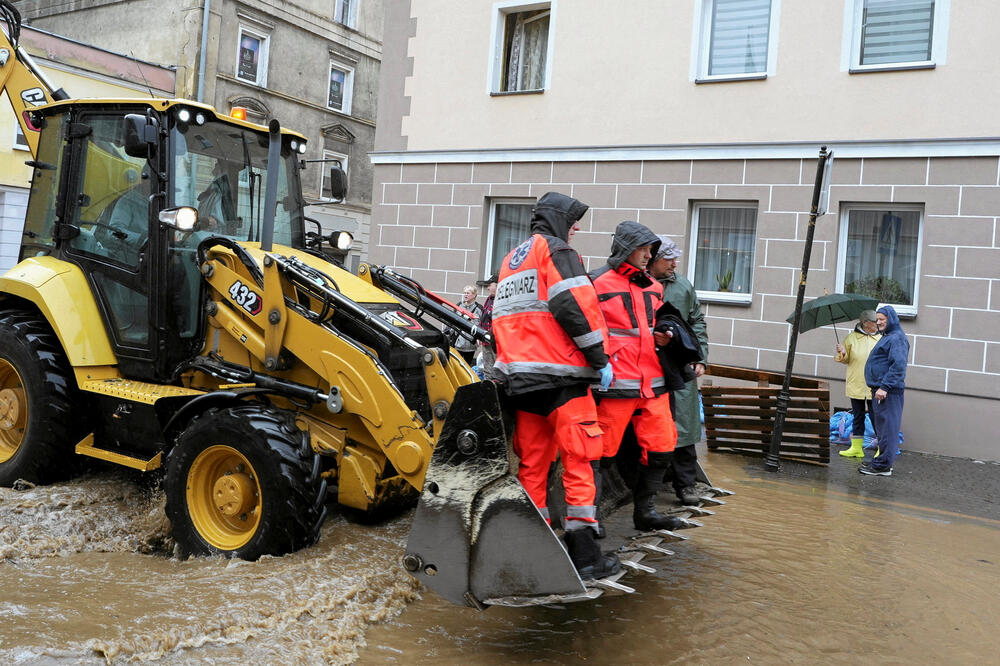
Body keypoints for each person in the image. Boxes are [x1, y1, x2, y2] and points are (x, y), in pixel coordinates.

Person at [492, 191, 620, 580]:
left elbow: (504, 318)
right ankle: (585, 557)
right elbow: (575, 307)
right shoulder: (558, 251)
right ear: (560, 220)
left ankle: (535, 549)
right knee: (580, 460)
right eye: (574, 220)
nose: (577, 227)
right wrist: (600, 359)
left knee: (533, 466)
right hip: (563, 378)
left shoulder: (510, 260)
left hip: (523, 381)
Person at [590, 222, 686, 531]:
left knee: (662, 448)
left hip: (652, 382)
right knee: (601, 453)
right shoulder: (595, 283)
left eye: (650, 250)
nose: (649, 255)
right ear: (625, 250)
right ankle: (589, 517)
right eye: (643, 250)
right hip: (616, 382)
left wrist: (667, 334)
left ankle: (645, 514)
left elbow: (654, 325)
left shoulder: (654, 287)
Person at [648, 236, 709, 506]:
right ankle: (646, 489)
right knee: (650, 426)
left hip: (680, 364)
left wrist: (700, 357)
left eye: (676, 258)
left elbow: (696, 321)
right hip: (646, 365)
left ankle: (686, 485)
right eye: (668, 258)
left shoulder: (682, 285)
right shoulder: (638, 283)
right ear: (652, 259)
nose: (675, 263)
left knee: (683, 425)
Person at [861, 305, 909, 476]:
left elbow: (898, 366)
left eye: (882, 319)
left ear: (891, 319)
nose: (879, 322)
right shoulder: (888, 337)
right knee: (882, 429)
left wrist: (885, 387)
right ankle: (882, 462)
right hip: (880, 390)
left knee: (888, 429)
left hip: (888, 392)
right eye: (878, 319)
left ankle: (883, 466)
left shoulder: (896, 338)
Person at [834, 310, 881, 458]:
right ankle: (856, 448)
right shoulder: (851, 338)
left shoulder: (881, 338)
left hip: (874, 385)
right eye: (875, 322)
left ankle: (882, 448)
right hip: (856, 383)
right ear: (866, 323)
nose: (877, 324)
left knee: (876, 416)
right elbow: (844, 359)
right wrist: (842, 352)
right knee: (858, 416)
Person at [451, 284, 482, 365]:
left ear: (474, 295)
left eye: (468, 293)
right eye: (464, 293)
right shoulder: (459, 306)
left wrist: (479, 338)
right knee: (456, 364)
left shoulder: (479, 309)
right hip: (458, 342)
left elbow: (480, 325)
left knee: (467, 365)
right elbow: (453, 320)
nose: (465, 295)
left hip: (470, 343)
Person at [474, 273, 498, 373]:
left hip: (496, 343)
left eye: (489, 285)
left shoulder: (501, 300)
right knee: (487, 370)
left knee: (497, 370)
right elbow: (483, 318)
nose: (487, 288)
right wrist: (480, 334)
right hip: (485, 341)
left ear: (497, 285)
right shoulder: (489, 299)